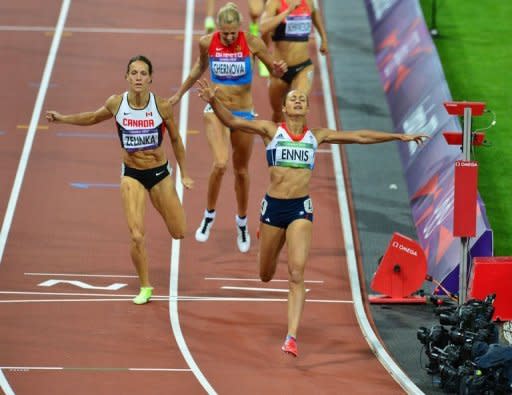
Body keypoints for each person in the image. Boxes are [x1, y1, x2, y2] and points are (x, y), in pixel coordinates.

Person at [196, 78, 428, 357]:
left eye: (302, 100)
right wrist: (213, 100)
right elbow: (232, 122)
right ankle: (265, 235)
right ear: (283, 108)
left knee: (296, 273)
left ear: (306, 109)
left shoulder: (315, 136)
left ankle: (291, 337)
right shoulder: (270, 131)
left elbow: (359, 137)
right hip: (273, 208)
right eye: (293, 99)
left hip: (300, 209)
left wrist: (396, 137)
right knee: (265, 275)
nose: (298, 101)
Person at [45, 55, 193, 305]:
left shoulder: (161, 106)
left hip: (159, 174)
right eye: (133, 73)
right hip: (132, 174)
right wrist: (62, 118)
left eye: (143, 73)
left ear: (150, 79)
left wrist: (185, 172)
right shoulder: (116, 103)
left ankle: (149, 276)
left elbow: (176, 140)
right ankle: (145, 286)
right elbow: (92, 117)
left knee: (179, 232)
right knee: (136, 235)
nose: (138, 77)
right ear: (126, 77)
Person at [170, 2, 287, 253]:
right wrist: (179, 95)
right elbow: (198, 69)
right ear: (219, 30)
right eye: (225, 33)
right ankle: (209, 215)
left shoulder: (252, 42)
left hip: (244, 113)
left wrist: (278, 69)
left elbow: (272, 67)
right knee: (221, 163)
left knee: (242, 171)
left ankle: (241, 222)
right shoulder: (207, 42)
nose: (230, 37)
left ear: (240, 28)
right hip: (216, 109)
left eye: (234, 32)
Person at [260, 0, 328, 122]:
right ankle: (277, 140)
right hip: (279, 71)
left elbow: (315, 14)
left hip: (303, 67)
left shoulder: (308, 2)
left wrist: (324, 38)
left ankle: (300, 140)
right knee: (278, 112)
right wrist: (287, 11)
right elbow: (263, 27)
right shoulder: (274, 3)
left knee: (298, 111)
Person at [204, 0, 270, 76]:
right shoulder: (204, 42)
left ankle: (264, 57)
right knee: (255, 12)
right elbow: (200, 65)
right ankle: (254, 24)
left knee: (264, 19)